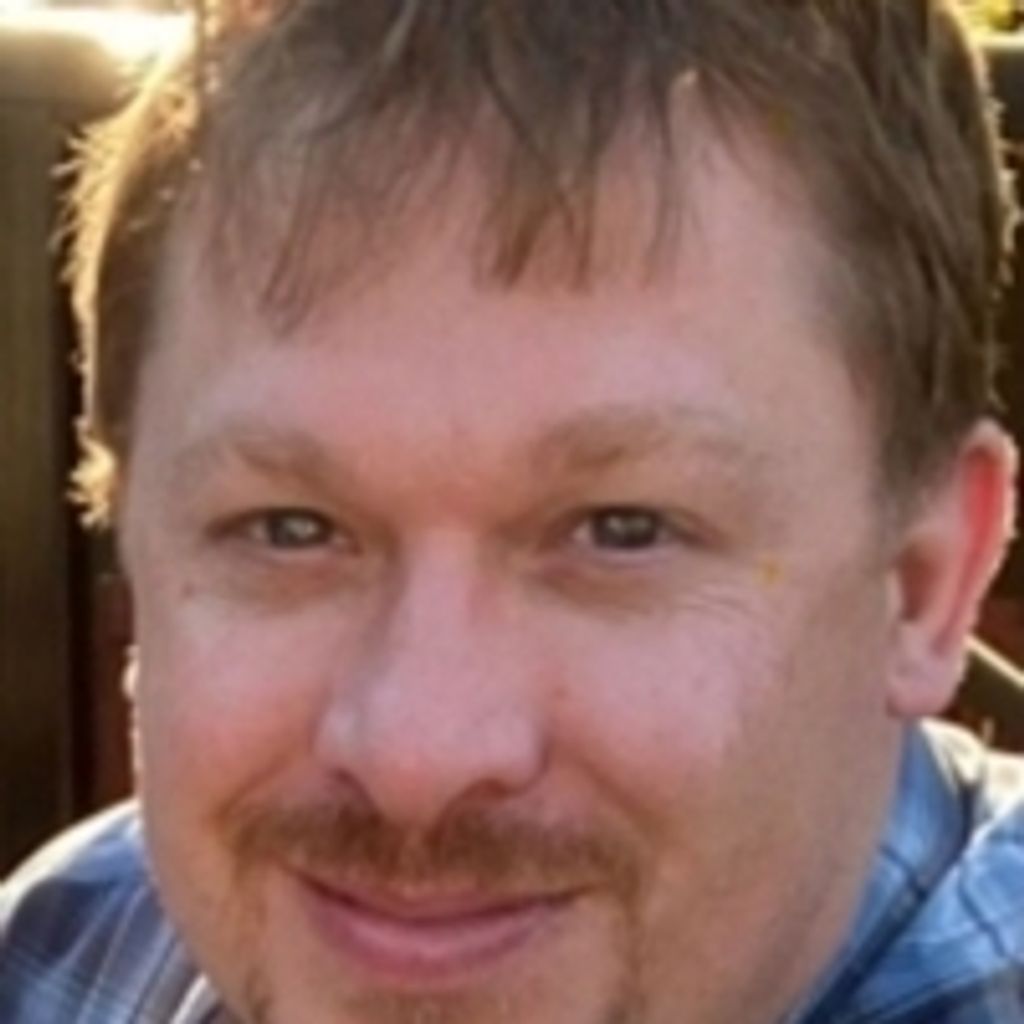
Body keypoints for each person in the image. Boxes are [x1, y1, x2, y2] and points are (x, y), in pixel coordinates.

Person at [3, 0, 1024, 1021]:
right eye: (288, 528)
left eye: (622, 529)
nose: (416, 756)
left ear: (925, 587)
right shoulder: (65, 955)